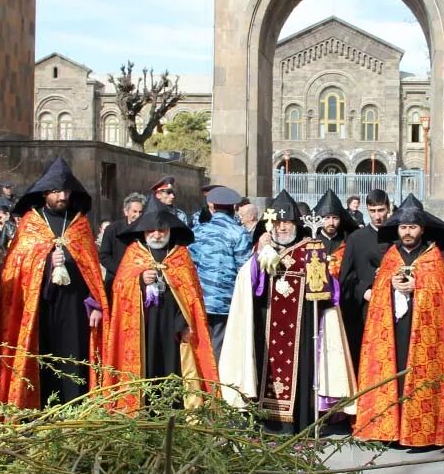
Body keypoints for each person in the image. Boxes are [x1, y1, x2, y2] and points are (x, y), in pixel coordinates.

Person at [219, 190, 354, 433]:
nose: (282, 228)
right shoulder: (261, 251)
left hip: (302, 330)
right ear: (270, 225)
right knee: (265, 372)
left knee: (301, 372)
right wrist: (259, 260)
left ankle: (300, 423)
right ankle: (268, 423)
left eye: (288, 223)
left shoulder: (309, 250)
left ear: (296, 224)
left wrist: (319, 273)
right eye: (278, 223)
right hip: (265, 328)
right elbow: (247, 284)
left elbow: (328, 291)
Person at [0, 157, 108, 409]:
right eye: (57, 191)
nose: (62, 196)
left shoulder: (79, 223)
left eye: (66, 191)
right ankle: (38, 409)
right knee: (41, 358)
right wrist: (46, 261)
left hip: (75, 308)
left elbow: (91, 267)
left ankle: (74, 408)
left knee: (73, 359)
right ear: (45, 192)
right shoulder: (31, 223)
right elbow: (16, 265)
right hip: (40, 307)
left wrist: (95, 301)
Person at [354, 195, 444, 448]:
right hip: (393, 329)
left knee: (418, 377)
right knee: (393, 375)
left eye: (412, 227)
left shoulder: (432, 255)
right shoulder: (391, 255)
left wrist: (420, 284)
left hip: (423, 329)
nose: (407, 232)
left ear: (422, 228)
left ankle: (418, 434)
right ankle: (389, 430)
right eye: (403, 227)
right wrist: (389, 286)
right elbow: (379, 288)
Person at [104, 197, 218, 410]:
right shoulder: (134, 253)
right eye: (151, 231)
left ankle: (174, 411)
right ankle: (142, 411)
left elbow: (191, 294)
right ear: (144, 232)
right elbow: (119, 287)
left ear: (169, 230)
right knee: (146, 370)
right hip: (142, 328)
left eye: (161, 230)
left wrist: (185, 323)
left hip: (172, 327)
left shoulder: (180, 255)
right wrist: (139, 280)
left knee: (173, 370)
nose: (156, 234)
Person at [188, 186, 252, 357]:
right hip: (227, 300)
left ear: (213, 207)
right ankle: (216, 381)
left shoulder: (198, 231)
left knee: (201, 341)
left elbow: (190, 265)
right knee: (220, 345)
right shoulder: (239, 234)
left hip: (200, 296)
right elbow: (244, 268)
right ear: (234, 208)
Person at [339, 189, 392, 365]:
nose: (377, 216)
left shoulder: (398, 237)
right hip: (363, 309)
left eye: (381, 210)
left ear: (388, 208)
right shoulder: (356, 238)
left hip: (394, 307)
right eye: (373, 211)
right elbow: (346, 277)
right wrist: (363, 290)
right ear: (367, 210)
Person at [99, 192, 146, 293]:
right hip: (115, 280)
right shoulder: (112, 229)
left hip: (138, 283)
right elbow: (104, 255)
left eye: (141, 212)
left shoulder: (146, 232)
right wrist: (122, 271)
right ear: (126, 211)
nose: (138, 215)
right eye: (134, 211)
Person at [312, 189, 358, 278]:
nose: (331, 223)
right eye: (327, 218)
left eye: (335, 218)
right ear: (319, 219)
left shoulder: (346, 243)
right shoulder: (312, 242)